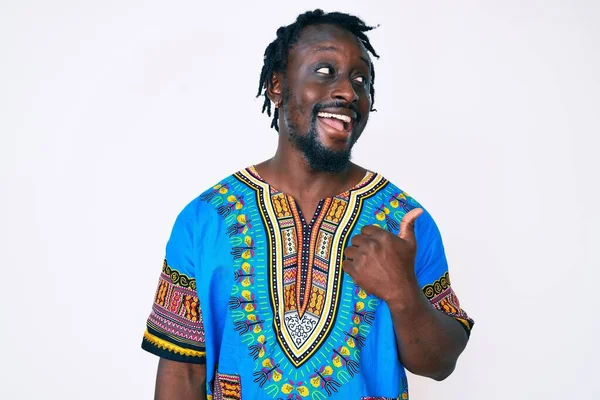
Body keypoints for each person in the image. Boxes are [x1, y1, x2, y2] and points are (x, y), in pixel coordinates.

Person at [141, 9, 474, 400]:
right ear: (277, 86)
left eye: (360, 79)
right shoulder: (204, 219)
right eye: (324, 71)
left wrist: (402, 291)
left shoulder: (405, 221)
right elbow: (182, 375)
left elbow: (439, 364)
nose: (349, 92)